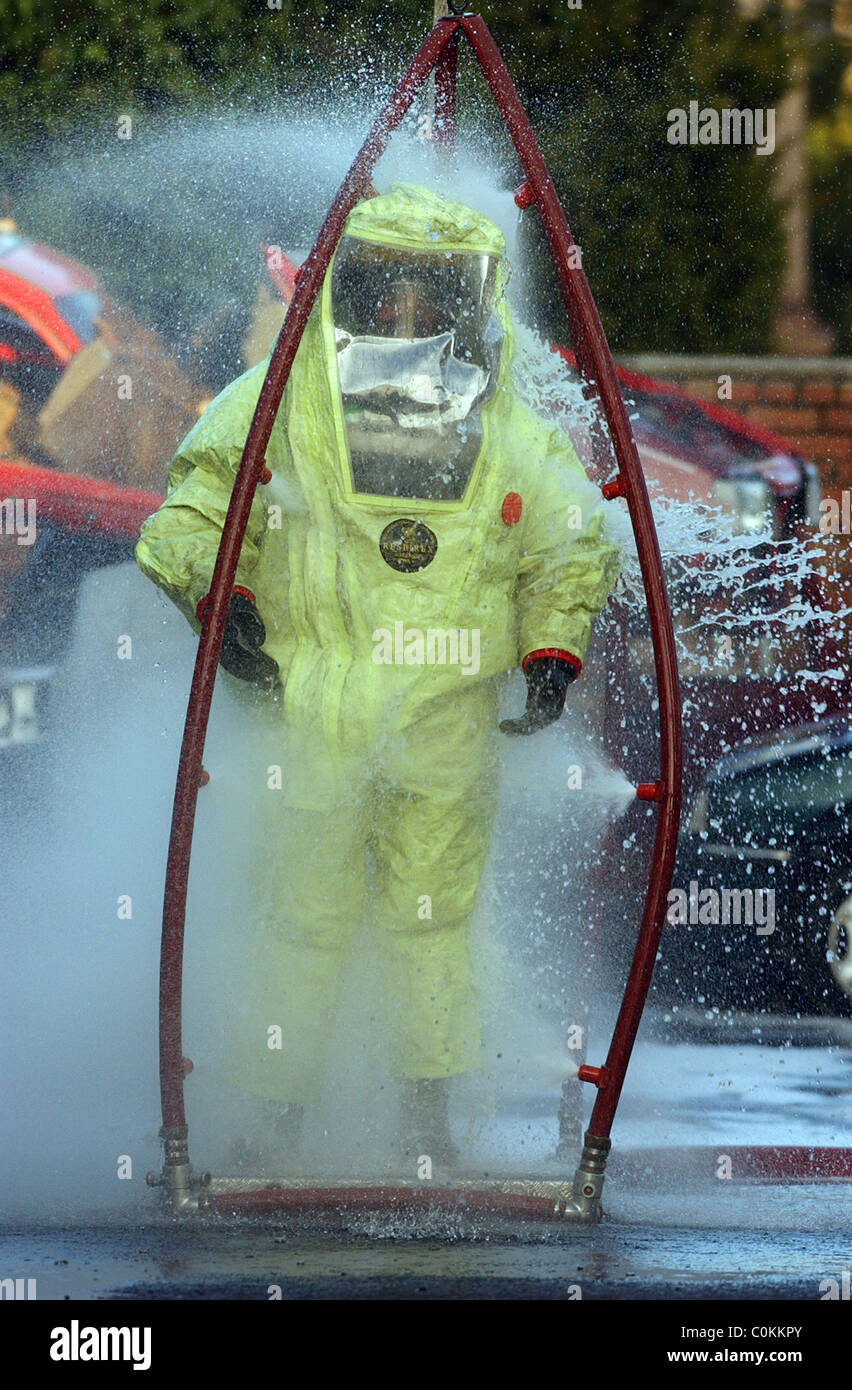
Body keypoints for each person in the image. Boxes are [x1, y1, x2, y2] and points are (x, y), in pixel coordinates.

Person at [136, 182, 620, 1170]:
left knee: (431, 926)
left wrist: (551, 650)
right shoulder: (281, 400)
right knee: (302, 925)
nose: (404, 319)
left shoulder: (502, 425)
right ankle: (273, 1122)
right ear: (344, 293)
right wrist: (218, 600)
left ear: (470, 306)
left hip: (441, 721)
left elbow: (575, 541)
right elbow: (194, 510)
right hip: (313, 708)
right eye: (384, 294)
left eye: (430, 298)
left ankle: (425, 1122)